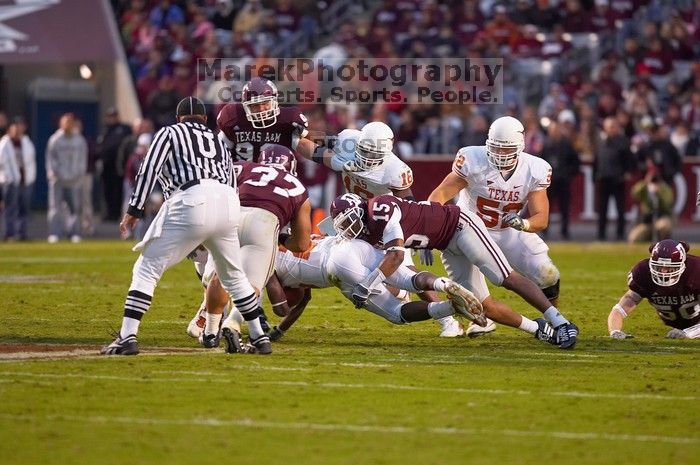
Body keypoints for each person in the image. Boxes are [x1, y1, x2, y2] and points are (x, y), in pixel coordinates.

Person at [101, 97, 261, 356]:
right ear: (205, 120)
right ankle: (259, 336)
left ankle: (127, 336)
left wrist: (134, 210)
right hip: (229, 203)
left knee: (147, 267)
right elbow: (231, 177)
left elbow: (149, 168)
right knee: (233, 276)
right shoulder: (218, 140)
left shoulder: (170, 132)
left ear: (179, 119)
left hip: (191, 199)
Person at [329, 193, 577, 349]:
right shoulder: (364, 235)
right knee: (480, 305)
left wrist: (368, 284)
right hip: (445, 245)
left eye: (350, 220)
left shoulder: (379, 209)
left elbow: (395, 256)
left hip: (459, 226)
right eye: (343, 226)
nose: (349, 229)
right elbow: (398, 269)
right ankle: (539, 329)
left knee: (503, 277)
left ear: (360, 209)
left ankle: (561, 322)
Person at [306, 121, 464, 338]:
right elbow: (314, 143)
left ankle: (448, 320)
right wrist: (299, 132)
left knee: (408, 274)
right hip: (352, 218)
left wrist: (421, 235)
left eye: (374, 154)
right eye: (364, 151)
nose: (368, 158)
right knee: (330, 259)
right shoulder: (347, 141)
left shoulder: (395, 170)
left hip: (382, 222)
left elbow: (409, 205)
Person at [428, 116, 569, 339]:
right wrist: (431, 226)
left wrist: (524, 223)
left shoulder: (535, 168)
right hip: (468, 232)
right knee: (474, 301)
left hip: (508, 231)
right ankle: (486, 322)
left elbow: (541, 218)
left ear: (520, 147)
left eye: (507, 150)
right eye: (496, 149)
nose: (501, 155)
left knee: (548, 274)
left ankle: (556, 319)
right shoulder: (472, 159)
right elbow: (440, 194)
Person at [190, 144, 313, 353]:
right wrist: (282, 239)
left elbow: (211, 188)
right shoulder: (298, 187)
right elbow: (302, 244)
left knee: (220, 276)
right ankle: (233, 322)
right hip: (264, 223)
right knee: (252, 284)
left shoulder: (243, 167)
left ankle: (210, 333)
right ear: (291, 167)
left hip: (230, 217)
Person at [261, 236, 486, 341]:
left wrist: (269, 279)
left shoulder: (267, 262)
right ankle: (444, 283)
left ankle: (450, 308)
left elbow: (281, 308)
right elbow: (303, 300)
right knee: (409, 278)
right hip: (348, 244)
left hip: (336, 268)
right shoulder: (281, 245)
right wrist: (280, 331)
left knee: (397, 314)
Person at [608, 240, 700, 340]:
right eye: (659, 266)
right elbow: (619, 309)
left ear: (683, 264)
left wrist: (688, 333)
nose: (664, 271)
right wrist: (615, 331)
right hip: (674, 323)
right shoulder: (643, 273)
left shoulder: (695, 271)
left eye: (669, 267)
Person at [216, 77, 321, 163]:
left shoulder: (287, 120)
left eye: (265, 103)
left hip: (277, 180)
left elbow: (305, 144)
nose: (261, 109)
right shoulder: (234, 117)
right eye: (255, 105)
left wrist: (330, 154)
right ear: (245, 106)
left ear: (274, 101)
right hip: (240, 180)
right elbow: (218, 151)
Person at [45, 113, 88, 243]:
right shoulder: (55, 140)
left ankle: (73, 232)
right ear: (61, 124)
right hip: (58, 180)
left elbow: (83, 159)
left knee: (74, 208)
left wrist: (79, 174)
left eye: (70, 122)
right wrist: (56, 173)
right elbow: (51, 159)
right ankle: (54, 233)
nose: (67, 125)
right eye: (65, 122)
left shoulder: (79, 140)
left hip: (74, 180)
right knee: (55, 207)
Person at [594, 117, 635, 241]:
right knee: (602, 209)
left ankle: (620, 233)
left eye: (614, 126)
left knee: (620, 208)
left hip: (618, 179)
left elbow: (630, 160)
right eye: (609, 126)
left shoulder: (623, 142)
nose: (612, 129)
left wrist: (627, 172)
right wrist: (595, 176)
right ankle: (601, 234)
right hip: (603, 179)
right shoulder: (601, 142)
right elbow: (596, 161)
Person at [540, 121, 580, 240]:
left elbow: (575, 163)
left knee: (565, 208)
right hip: (549, 182)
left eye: (556, 130)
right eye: (552, 130)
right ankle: (545, 231)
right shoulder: (546, 146)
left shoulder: (567, 145)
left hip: (563, 181)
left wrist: (568, 174)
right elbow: (540, 162)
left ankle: (565, 231)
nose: (555, 133)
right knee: (547, 207)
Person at [0, 117, 36, 241]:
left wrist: (31, 177)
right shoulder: (5, 143)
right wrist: (8, 178)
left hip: (25, 181)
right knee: (10, 208)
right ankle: (9, 233)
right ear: (11, 128)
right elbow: (2, 162)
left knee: (24, 209)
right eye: (15, 126)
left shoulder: (26, 142)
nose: (18, 128)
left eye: (20, 125)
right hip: (10, 181)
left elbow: (31, 161)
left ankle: (22, 234)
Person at [96, 107, 132, 221]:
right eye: (110, 116)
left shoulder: (123, 129)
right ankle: (109, 213)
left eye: (114, 116)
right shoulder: (104, 130)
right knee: (107, 191)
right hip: (106, 166)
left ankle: (117, 214)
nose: (112, 118)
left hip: (118, 166)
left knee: (118, 191)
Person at [627, 170, 674, 243]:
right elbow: (634, 193)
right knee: (634, 238)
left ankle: (663, 243)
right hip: (648, 221)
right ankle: (648, 237)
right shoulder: (645, 188)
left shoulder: (665, 188)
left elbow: (667, 205)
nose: (654, 183)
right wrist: (645, 183)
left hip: (661, 217)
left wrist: (658, 194)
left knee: (663, 226)